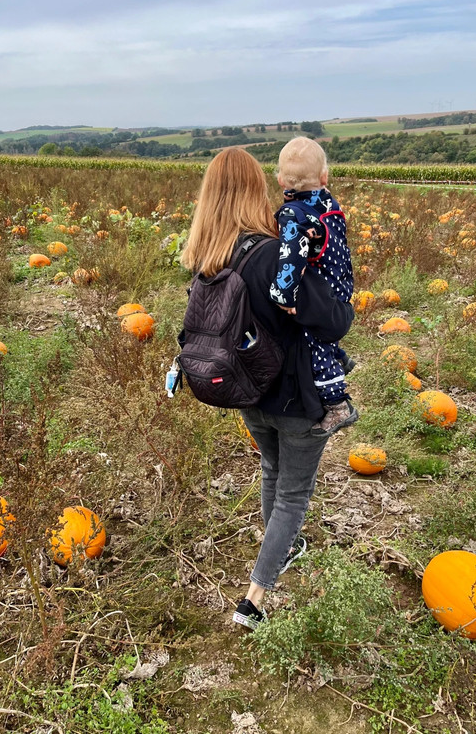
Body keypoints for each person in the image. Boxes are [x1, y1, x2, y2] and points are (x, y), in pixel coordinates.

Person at [181, 148, 355, 630]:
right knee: (294, 494)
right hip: (298, 396)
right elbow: (335, 320)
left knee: (272, 468)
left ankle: (281, 542)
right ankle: (254, 599)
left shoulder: (207, 257)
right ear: (258, 187)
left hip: (245, 390)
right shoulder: (271, 252)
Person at [270, 137, 358, 436]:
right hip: (341, 284)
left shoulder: (293, 214)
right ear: (324, 177)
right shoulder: (329, 204)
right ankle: (340, 355)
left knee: (313, 348)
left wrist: (283, 294)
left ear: (281, 179)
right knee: (324, 337)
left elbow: (290, 258)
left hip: (320, 293)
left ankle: (337, 405)